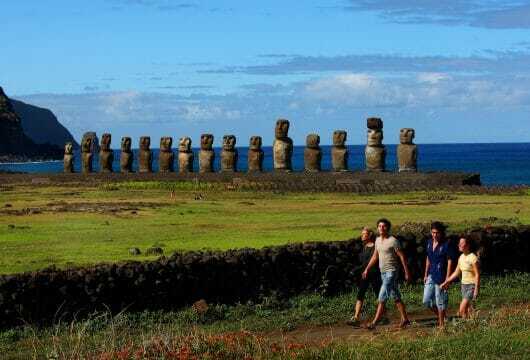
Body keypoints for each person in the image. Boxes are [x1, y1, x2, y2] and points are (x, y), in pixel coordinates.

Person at [362, 218, 411, 329]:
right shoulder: (378, 240)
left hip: (392, 272)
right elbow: (375, 256)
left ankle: (374, 323)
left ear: (388, 228)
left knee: (382, 297)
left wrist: (407, 272)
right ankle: (405, 319)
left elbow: (402, 256)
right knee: (395, 296)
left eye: (383, 226)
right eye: (379, 226)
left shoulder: (393, 241)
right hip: (383, 272)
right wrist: (367, 269)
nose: (381, 228)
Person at [422, 221, 457, 327]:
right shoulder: (429, 242)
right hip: (431, 274)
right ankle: (443, 317)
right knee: (426, 301)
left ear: (441, 233)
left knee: (440, 301)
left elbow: (450, 262)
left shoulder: (447, 244)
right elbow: (428, 258)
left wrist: (447, 279)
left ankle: (442, 325)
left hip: (442, 275)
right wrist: (425, 274)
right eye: (433, 232)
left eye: (437, 233)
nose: (435, 235)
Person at [347, 227, 382, 327]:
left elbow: (368, 262)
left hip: (374, 273)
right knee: (360, 294)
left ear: (369, 235)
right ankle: (356, 317)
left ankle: (383, 315)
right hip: (365, 274)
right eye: (362, 234)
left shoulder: (375, 247)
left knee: (379, 295)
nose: (362, 235)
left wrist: (355, 270)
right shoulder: (364, 247)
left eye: (364, 234)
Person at [441, 236, 480, 319]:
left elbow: (477, 274)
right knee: (467, 310)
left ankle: (470, 323)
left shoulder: (473, 258)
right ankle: (469, 326)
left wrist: (476, 289)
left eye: (462, 243)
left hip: (471, 286)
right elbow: (456, 272)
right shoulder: (461, 257)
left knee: (461, 310)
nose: (459, 244)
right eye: (459, 243)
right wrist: (446, 282)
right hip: (463, 286)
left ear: (468, 245)